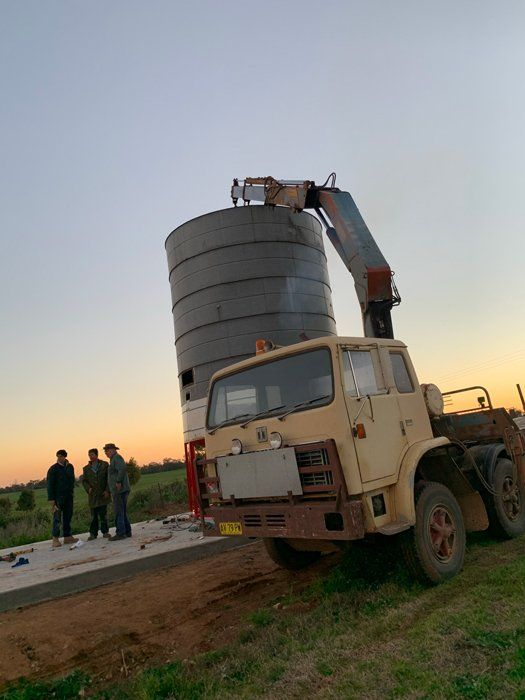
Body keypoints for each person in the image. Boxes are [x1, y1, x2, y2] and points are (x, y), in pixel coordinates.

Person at [47, 449, 78, 547]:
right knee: (57, 518)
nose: (59, 458)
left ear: (65, 457)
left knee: (68, 516)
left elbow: (72, 480)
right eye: (58, 456)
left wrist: (72, 492)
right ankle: (55, 539)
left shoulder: (70, 467)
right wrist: (51, 499)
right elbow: (49, 485)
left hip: (68, 496)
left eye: (61, 456)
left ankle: (67, 536)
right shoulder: (53, 469)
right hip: (57, 498)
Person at [104, 443, 131, 541]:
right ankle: (127, 531)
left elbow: (122, 469)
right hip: (120, 489)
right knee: (122, 511)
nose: (105, 453)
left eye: (106, 451)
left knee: (119, 511)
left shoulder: (117, 458)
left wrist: (118, 481)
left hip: (119, 490)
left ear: (111, 450)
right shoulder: (114, 459)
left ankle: (120, 533)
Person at [82, 448, 111, 540]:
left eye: (92, 455)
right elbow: (84, 481)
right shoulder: (86, 469)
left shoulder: (104, 465)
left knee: (103, 515)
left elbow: (108, 479)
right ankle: (93, 534)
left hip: (102, 495)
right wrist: (88, 488)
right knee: (93, 517)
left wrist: (107, 491)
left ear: (97, 455)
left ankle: (105, 532)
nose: (91, 457)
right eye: (89, 455)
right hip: (93, 496)